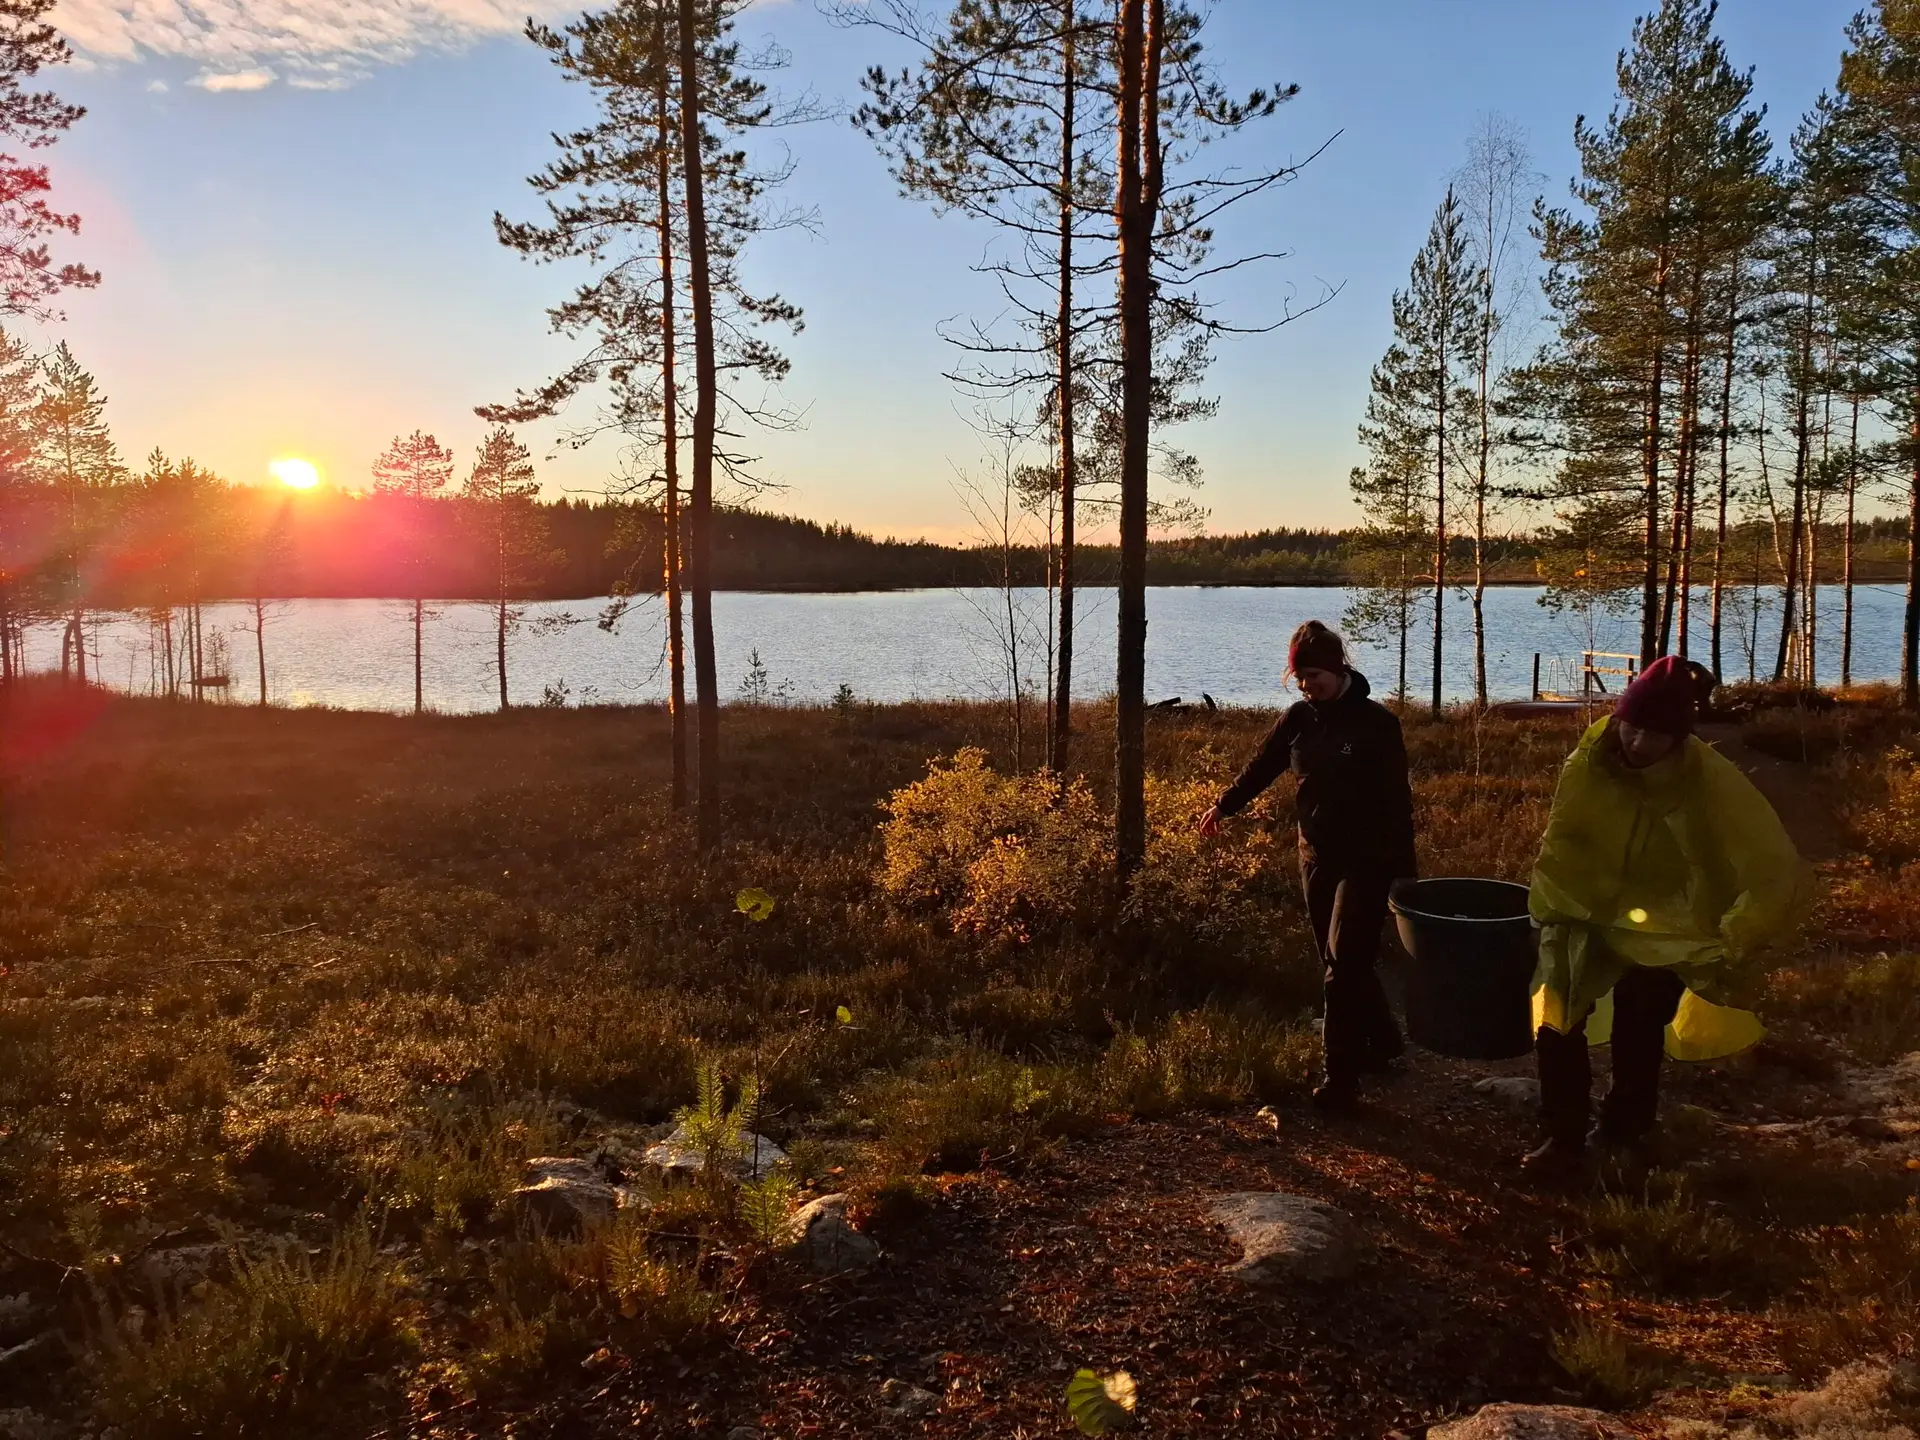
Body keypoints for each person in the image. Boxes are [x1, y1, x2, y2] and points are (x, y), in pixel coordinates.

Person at [1524, 655, 1806, 1175]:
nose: (1637, 742)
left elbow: (1769, 861)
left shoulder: (1707, 780)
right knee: (1557, 1019)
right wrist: (1550, 905)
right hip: (1585, 911)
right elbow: (1561, 839)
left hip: (1666, 922)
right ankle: (1562, 1136)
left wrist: (1740, 929)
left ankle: (1624, 1130)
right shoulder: (1590, 761)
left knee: (1639, 1024)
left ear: (1679, 737)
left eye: (1655, 734)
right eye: (1631, 726)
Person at [1199, 620, 1417, 1111]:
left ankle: (1341, 1080)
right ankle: (1384, 1042)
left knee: (1343, 967)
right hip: (1315, 857)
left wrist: (1405, 875)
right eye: (1298, 677)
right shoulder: (1299, 718)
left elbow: (1397, 801)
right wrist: (1224, 805)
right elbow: (1263, 765)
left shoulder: (1378, 725)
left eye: (1312, 676)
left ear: (1338, 670)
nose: (1305, 686)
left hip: (1367, 862)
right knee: (1338, 959)